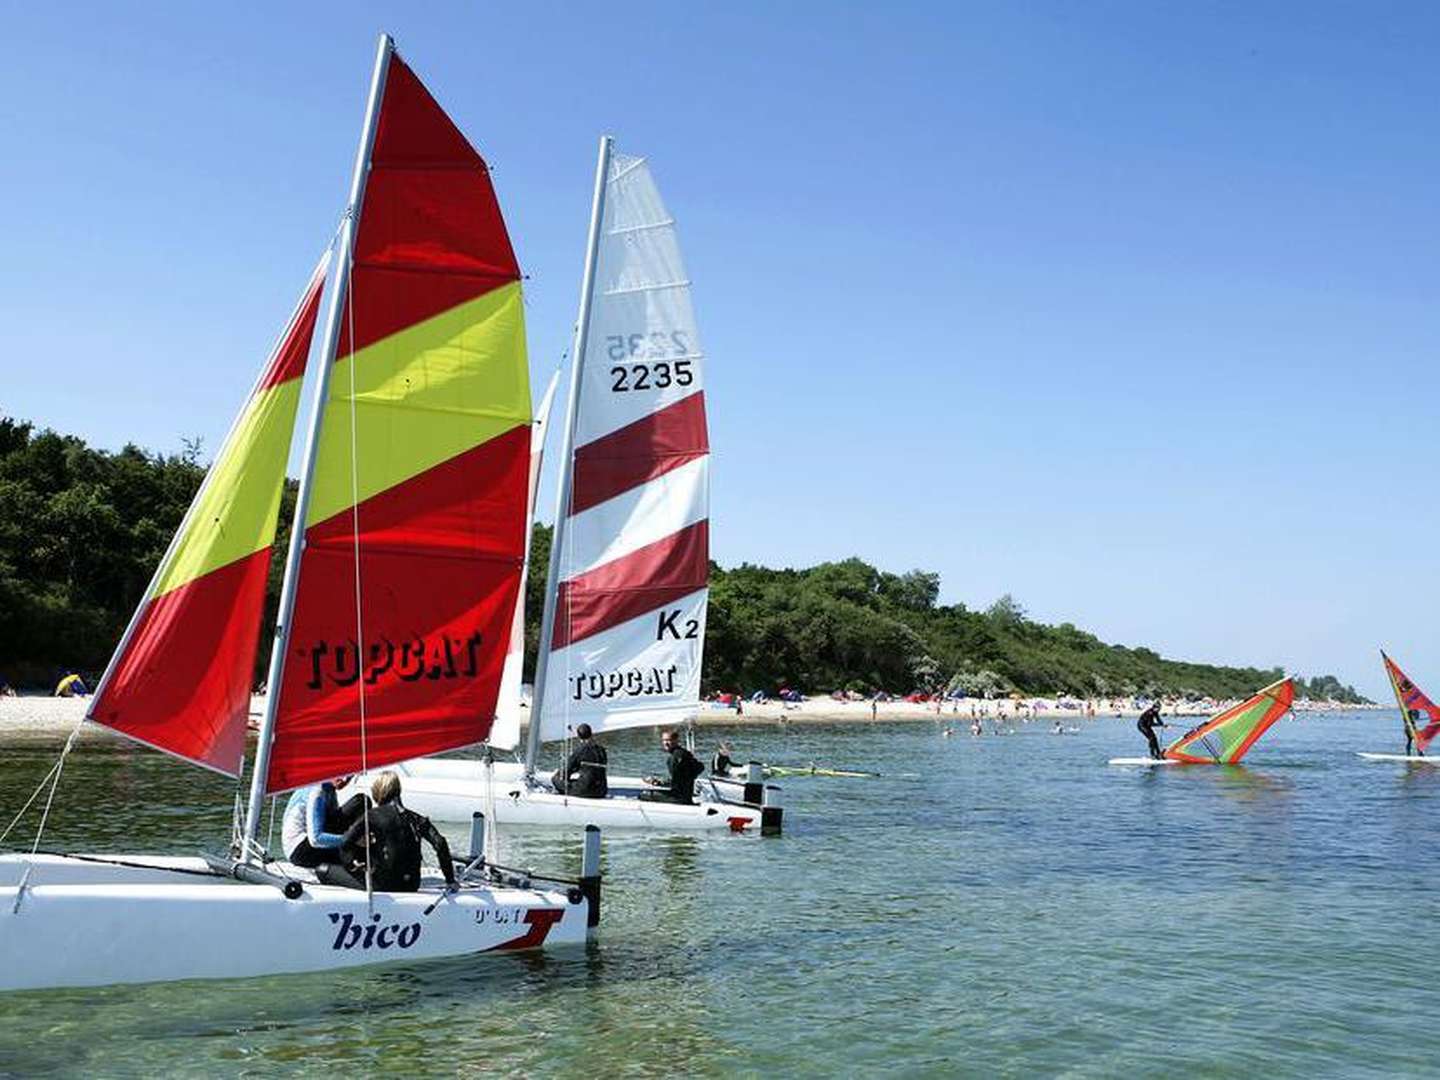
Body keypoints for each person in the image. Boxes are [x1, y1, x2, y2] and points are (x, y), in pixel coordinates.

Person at [333, 770, 456, 892]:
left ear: (378, 791)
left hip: (383, 885)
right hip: (412, 885)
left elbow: (345, 842)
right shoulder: (416, 818)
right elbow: (440, 843)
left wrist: (353, 865)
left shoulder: (371, 816)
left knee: (322, 869)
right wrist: (450, 880)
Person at [282, 778, 368, 868]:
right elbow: (315, 839)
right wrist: (352, 840)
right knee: (359, 803)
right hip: (299, 850)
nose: (344, 779)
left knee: (361, 802)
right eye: (342, 774)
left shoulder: (329, 789)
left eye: (350, 776)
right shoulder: (316, 791)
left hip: (310, 842)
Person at [642, 729, 704, 805]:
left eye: (669, 740)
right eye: (664, 740)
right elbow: (700, 767)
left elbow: (676, 781)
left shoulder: (675, 758)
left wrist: (658, 782)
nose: (666, 743)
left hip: (678, 798)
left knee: (645, 795)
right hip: (686, 796)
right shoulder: (684, 753)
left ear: (676, 741)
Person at [552, 722, 608, 797]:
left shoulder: (580, 750)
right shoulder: (602, 750)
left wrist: (559, 773)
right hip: (601, 790)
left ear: (579, 736)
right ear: (591, 734)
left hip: (585, 790)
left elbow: (567, 770)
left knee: (555, 779)